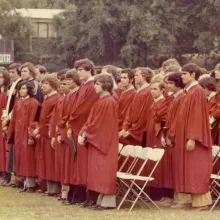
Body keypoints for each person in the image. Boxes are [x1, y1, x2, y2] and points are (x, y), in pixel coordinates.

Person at [174, 63, 212, 210]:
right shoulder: (188, 92)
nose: (181, 76)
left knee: (196, 168)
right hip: (184, 136)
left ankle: (202, 202)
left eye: (184, 73)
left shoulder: (198, 92)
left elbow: (197, 117)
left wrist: (192, 137)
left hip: (193, 138)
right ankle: (187, 199)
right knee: (187, 168)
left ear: (193, 75)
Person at [78, 73, 118, 210]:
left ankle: (107, 202)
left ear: (105, 85)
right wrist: (83, 132)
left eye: (97, 84)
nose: (95, 86)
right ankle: (99, 200)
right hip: (96, 141)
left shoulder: (109, 102)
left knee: (104, 172)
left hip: (104, 143)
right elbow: (91, 121)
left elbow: (104, 126)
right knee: (97, 172)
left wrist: (87, 134)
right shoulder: (100, 101)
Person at [67, 59, 99, 206]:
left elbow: (86, 108)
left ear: (89, 70)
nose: (79, 72)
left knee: (84, 163)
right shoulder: (83, 86)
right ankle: (77, 194)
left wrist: (72, 120)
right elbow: (75, 106)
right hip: (76, 127)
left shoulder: (92, 87)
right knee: (77, 163)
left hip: (83, 127)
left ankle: (86, 195)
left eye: (81, 70)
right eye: (77, 70)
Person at [7, 81, 40, 193]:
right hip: (18, 135)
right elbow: (13, 121)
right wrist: (10, 134)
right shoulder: (17, 103)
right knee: (20, 158)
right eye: (20, 88)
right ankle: (25, 183)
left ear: (29, 90)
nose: (21, 90)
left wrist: (31, 136)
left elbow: (34, 121)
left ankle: (31, 184)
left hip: (27, 134)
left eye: (24, 88)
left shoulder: (34, 103)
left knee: (28, 158)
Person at [57, 69, 81, 202]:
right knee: (68, 164)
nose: (67, 82)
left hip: (72, 131)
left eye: (70, 80)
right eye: (67, 79)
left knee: (73, 163)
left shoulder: (77, 94)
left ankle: (72, 193)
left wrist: (63, 125)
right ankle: (68, 192)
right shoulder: (69, 95)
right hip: (67, 130)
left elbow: (71, 115)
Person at [34, 74, 60, 196]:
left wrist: (41, 129)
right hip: (44, 135)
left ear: (53, 85)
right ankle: (48, 187)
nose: (43, 86)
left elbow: (51, 119)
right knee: (45, 161)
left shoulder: (55, 99)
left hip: (49, 134)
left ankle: (54, 188)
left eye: (46, 83)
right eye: (42, 83)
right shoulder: (47, 98)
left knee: (51, 161)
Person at [119, 67, 154, 146]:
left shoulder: (148, 91)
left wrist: (132, 130)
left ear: (144, 77)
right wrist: (125, 127)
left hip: (139, 130)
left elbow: (144, 114)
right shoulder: (140, 91)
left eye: (137, 75)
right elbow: (130, 111)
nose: (134, 77)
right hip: (132, 127)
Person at [1, 63, 22, 187]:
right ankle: (7, 175)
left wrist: (8, 118)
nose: (11, 74)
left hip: (13, 121)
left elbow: (16, 105)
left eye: (13, 72)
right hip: (7, 119)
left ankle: (13, 176)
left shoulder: (19, 85)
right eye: (10, 72)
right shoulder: (11, 86)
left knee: (10, 149)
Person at [0, 70, 10, 185]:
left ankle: (4, 174)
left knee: (3, 148)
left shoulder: (7, 93)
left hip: (3, 122)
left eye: (1, 77)